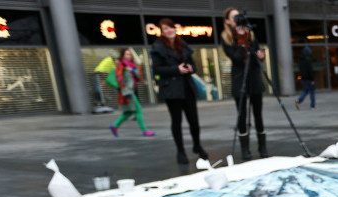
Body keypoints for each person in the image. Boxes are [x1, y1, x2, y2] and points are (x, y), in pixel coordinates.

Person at [150, 18, 209, 165]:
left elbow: (194, 66)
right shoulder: (157, 47)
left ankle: (197, 145)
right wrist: (176, 69)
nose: (169, 30)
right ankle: (180, 151)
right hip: (172, 90)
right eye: (165, 29)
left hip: (187, 87)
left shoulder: (182, 44)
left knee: (194, 121)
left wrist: (190, 68)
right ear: (162, 32)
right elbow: (157, 69)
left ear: (174, 29)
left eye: (170, 28)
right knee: (176, 121)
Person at [222, 7, 267, 160]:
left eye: (239, 17)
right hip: (239, 78)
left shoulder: (251, 34)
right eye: (234, 17)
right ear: (228, 21)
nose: (237, 20)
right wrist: (241, 41)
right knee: (242, 115)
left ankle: (262, 146)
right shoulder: (226, 37)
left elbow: (257, 52)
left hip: (253, 76)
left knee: (258, 114)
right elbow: (235, 57)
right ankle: (245, 149)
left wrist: (261, 55)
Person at [109, 48, 155, 138]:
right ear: (123, 55)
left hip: (131, 90)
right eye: (126, 54)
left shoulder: (131, 65)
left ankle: (114, 126)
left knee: (129, 112)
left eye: (130, 54)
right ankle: (145, 131)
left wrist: (134, 70)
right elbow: (119, 78)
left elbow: (137, 77)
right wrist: (124, 90)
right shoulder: (121, 65)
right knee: (138, 110)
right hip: (127, 91)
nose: (128, 56)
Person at [294, 45, 316, 110]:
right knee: (312, 92)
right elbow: (310, 70)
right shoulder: (308, 60)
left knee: (305, 91)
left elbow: (301, 70)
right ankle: (312, 106)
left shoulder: (300, 61)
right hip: (309, 79)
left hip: (303, 78)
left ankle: (298, 100)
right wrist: (312, 79)